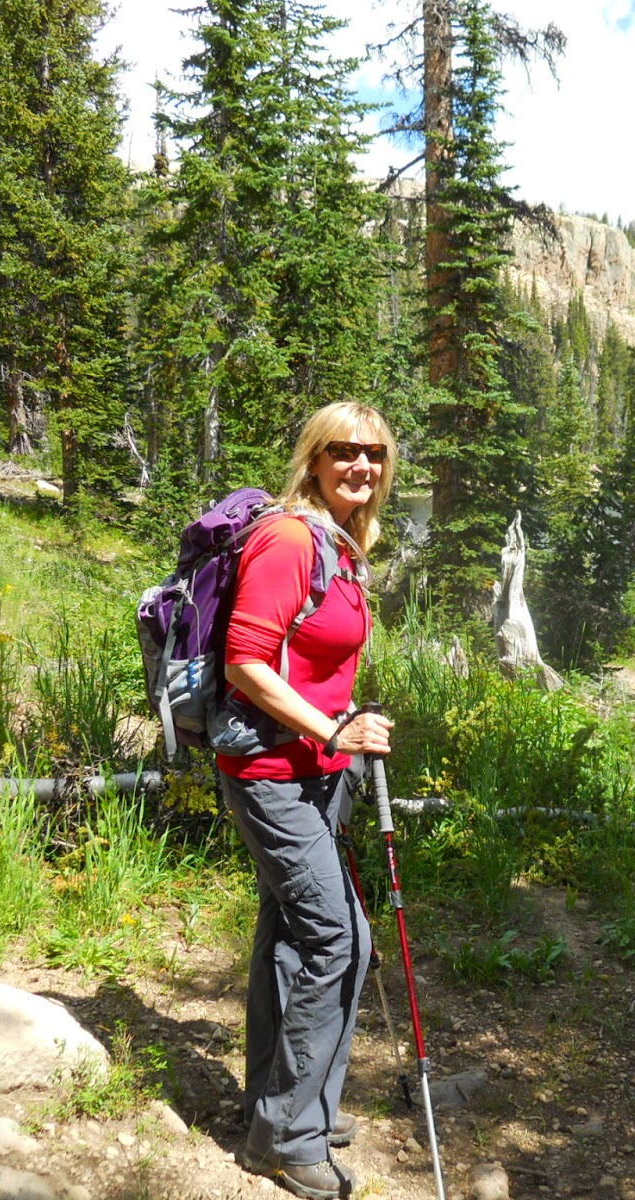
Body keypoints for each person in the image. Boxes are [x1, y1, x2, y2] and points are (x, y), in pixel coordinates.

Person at [217, 401, 396, 1200]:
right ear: (315, 459)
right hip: (270, 773)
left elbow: (314, 659)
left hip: (315, 769)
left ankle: (281, 1102)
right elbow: (244, 663)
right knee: (341, 941)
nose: (362, 465)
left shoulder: (341, 543)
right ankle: (287, 1138)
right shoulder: (291, 538)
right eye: (345, 452)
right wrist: (335, 731)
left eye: (375, 454)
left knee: (291, 938)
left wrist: (339, 729)